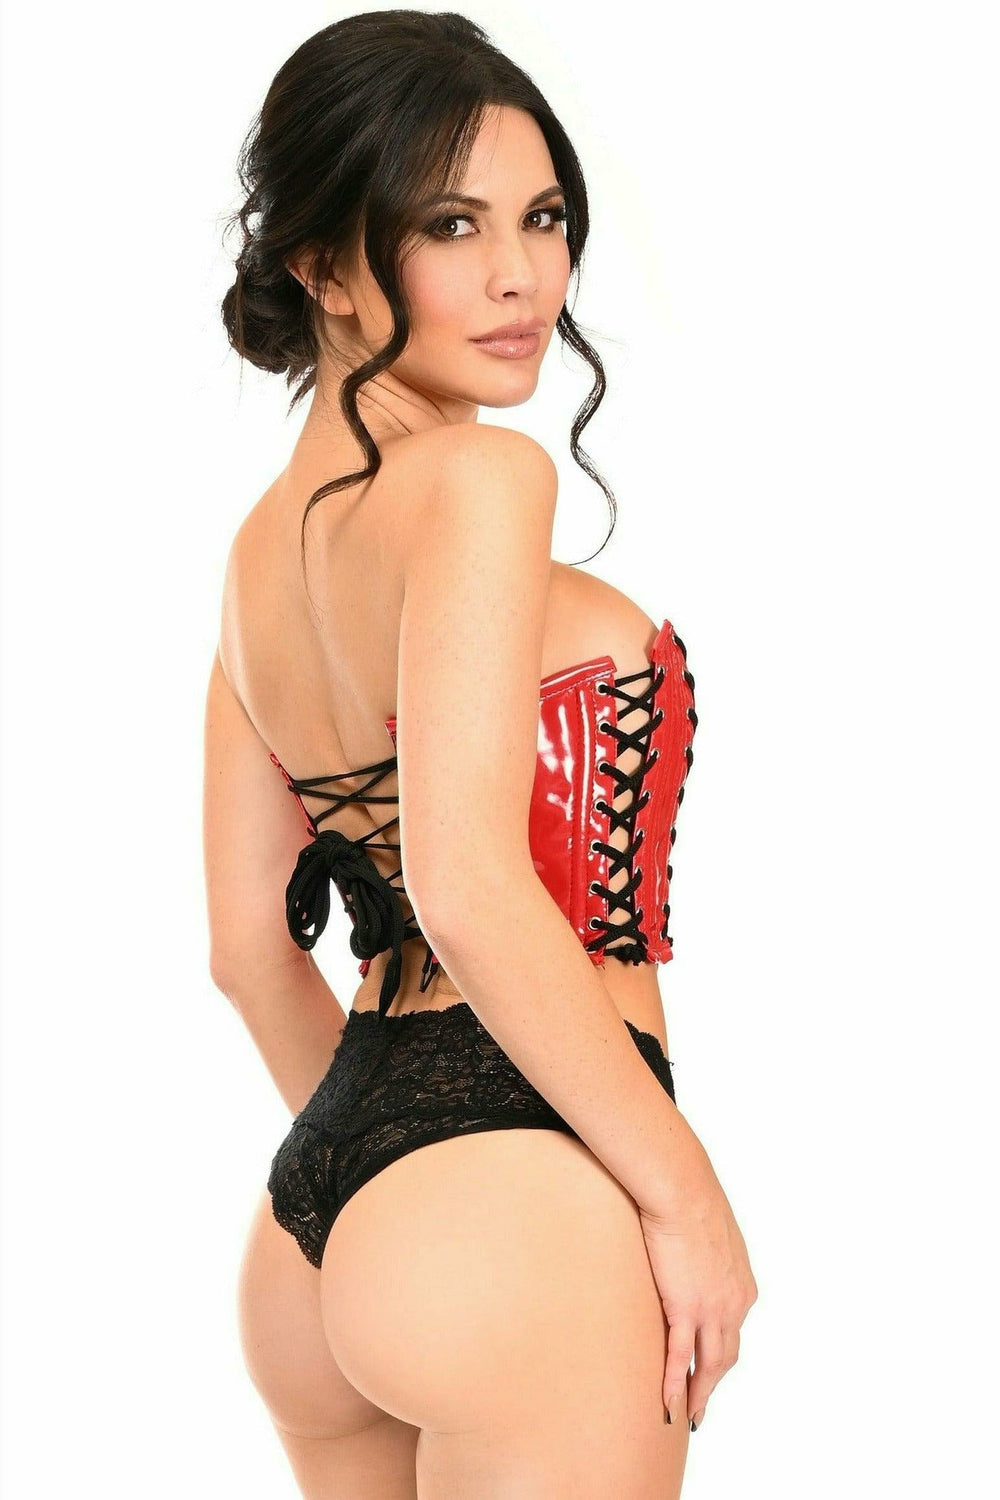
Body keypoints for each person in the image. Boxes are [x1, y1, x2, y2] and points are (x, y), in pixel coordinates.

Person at [203, 12, 757, 1498]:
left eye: (545, 217)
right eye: (452, 226)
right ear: (323, 266)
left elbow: (248, 952)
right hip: (521, 1201)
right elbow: (461, 878)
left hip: (317, 1218)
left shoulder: (258, 559)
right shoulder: (477, 479)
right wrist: (684, 1196)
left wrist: (391, 1180)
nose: (523, 275)